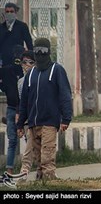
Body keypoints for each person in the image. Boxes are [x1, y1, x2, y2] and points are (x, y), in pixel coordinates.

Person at [17, 38, 73, 180]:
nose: (40, 55)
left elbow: (65, 95)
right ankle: (41, 182)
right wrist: (20, 124)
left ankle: (51, 182)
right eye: (37, 52)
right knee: (38, 158)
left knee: (47, 157)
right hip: (33, 123)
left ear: (48, 52)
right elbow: (24, 101)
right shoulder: (31, 74)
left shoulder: (57, 70)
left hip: (49, 122)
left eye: (43, 51)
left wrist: (66, 118)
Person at [0, 46, 24, 174]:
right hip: (20, 109)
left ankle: (10, 169)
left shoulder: (6, 70)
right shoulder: (27, 71)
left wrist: (6, 88)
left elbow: (2, 85)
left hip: (12, 108)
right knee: (28, 140)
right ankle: (30, 168)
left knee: (12, 141)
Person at [0, 2, 33, 78]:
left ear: (15, 13)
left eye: (11, 11)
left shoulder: (22, 26)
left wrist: (31, 59)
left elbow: (29, 43)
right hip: (4, 62)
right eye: (7, 12)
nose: (9, 14)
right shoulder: (1, 27)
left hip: (18, 60)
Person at [17, 50, 36, 176]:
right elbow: (22, 103)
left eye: (30, 62)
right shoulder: (20, 82)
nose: (27, 65)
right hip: (27, 118)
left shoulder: (39, 77)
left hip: (39, 117)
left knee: (33, 146)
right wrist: (20, 122)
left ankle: (25, 170)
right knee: (31, 144)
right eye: (24, 62)